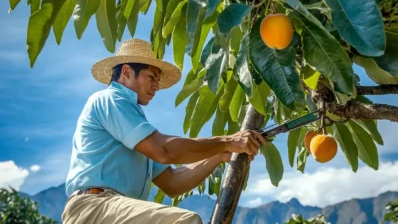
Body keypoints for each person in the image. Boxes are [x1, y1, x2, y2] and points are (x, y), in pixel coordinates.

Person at [62, 38, 267, 224]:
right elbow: (165, 151)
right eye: (151, 77)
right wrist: (227, 141)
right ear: (126, 72)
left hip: (112, 210)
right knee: (185, 222)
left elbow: (173, 183)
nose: (156, 86)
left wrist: (219, 155)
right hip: (93, 207)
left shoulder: (136, 130)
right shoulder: (110, 100)